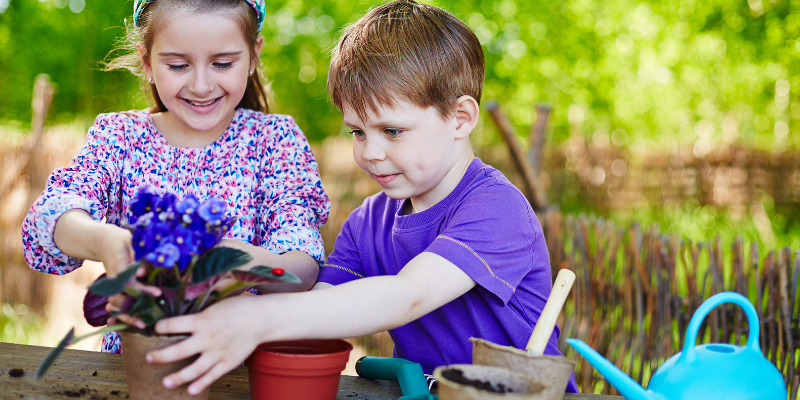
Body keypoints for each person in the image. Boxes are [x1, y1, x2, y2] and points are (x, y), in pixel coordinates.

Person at [146, 0, 579, 395]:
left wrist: (257, 318)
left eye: (392, 130)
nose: (370, 152)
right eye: (357, 131)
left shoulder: (496, 208)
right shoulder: (367, 222)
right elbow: (322, 307)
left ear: (460, 118)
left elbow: (406, 295)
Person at [21, 0, 329, 354]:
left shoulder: (275, 140)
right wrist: (105, 241)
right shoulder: (120, 136)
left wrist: (247, 264)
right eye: (178, 65)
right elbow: (53, 214)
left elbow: (302, 265)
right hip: (137, 367)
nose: (201, 86)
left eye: (223, 63)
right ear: (147, 61)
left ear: (253, 55)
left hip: (244, 371)